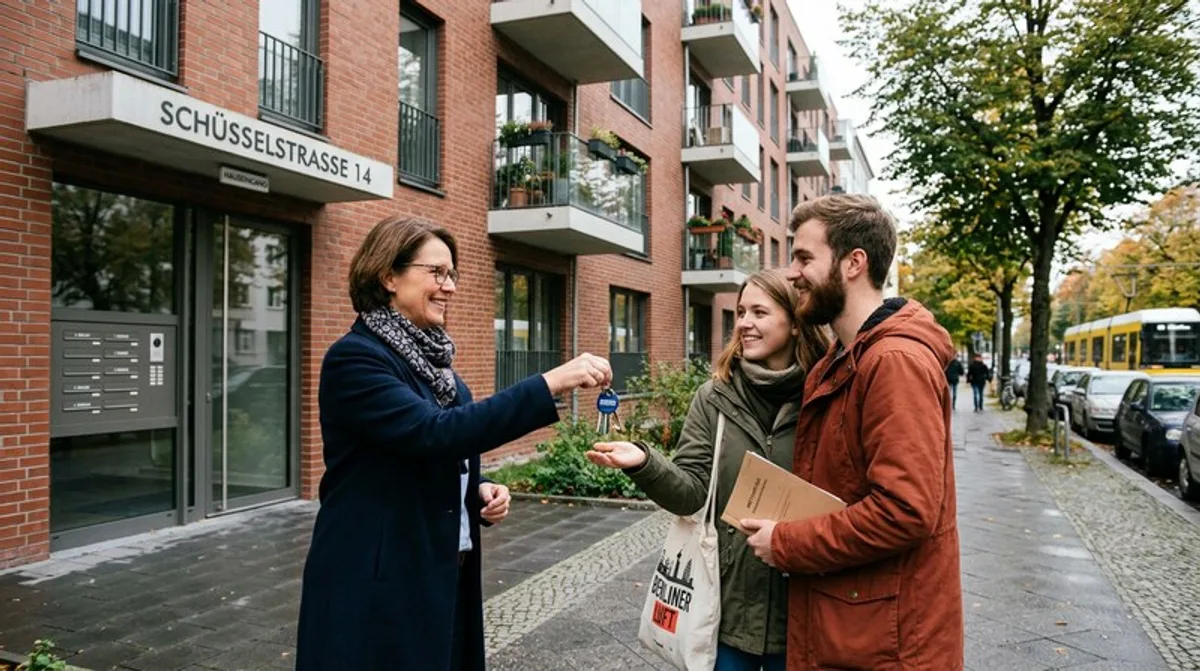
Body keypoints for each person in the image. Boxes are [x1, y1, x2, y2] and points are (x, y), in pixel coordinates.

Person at [295, 216, 612, 671]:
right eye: (437, 273)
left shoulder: (433, 362)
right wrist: (550, 383)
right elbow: (433, 433)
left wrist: (477, 485)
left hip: (439, 572)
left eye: (452, 275)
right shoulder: (356, 359)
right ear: (388, 276)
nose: (450, 287)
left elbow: (440, 448)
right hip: (377, 579)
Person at [741, 194, 963, 670]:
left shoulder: (893, 362)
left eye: (804, 257)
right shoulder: (840, 359)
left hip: (884, 642)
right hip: (851, 626)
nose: (792, 272)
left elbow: (905, 510)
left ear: (853, 262)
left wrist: (787, 543)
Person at [585, 270, 828, 671]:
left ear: (796, 323)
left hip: (805, 608)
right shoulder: (715, 395)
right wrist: (644, 462)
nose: (745, 323)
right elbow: (692, 493)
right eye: (741, 312)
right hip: (726, 608)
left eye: (760, 312)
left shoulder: (826, 395)